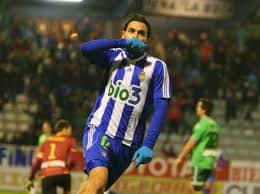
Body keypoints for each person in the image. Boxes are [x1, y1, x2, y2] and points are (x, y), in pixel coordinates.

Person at [78, 13, 171, 194]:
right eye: (131, 31)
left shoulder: (158, 67)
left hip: (129, 145)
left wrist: (148, 145)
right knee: (98, 181)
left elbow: (161, 109)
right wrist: (121, 43)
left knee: (96, 187)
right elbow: (85, 49)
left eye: (141, 33)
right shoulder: (113, 56)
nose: (136, 36)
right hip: (100, 130)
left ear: (147, 40)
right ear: (123, 34)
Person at [175, 98, 220, 194]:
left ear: (204, 110)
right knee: (206, 189)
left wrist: (180, 157)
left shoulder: (202, 124)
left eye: (198, 106)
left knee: (194, 189)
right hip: (211, 161)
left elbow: (191, 143)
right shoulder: (215, 125)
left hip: (200, 160)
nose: (196, 108)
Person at [26, 119, 77, 194]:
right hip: (62, 173)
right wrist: (68, 169)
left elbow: (36, 161)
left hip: (47, 174)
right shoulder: (70, 140)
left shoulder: (46, 141)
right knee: (66, 184)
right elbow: (73, 160)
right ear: (64, 129)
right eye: (69, 130)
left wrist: (30, 178)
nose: (70, 132)